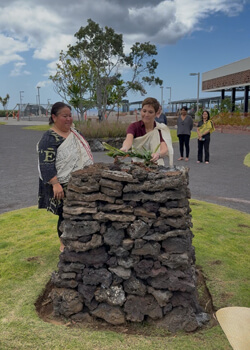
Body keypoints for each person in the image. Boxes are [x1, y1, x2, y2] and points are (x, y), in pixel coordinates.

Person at [37, 102, 93, 251]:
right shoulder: (49, 138)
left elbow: (84, 153)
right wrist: (55, 183)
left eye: (70, 115)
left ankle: (79, 241)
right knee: (65, 214)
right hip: (61, 184)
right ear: (54, 117)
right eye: (64, 116)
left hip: (80, 182)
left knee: (79, 213)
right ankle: (63, 244)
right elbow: (46, 163)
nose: (69, 119)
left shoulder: (76, 133)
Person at [120, 97, 173, 167]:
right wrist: (125, 148)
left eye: (150, 112)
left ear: (156, 113)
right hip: (137, 166)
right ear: (141, 111)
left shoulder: (159, 129)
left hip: (155, 165)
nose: (146, 115)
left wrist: (158, 155)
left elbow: (164, 149)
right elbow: (128, 140)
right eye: (144, 111)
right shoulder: (134, 126)